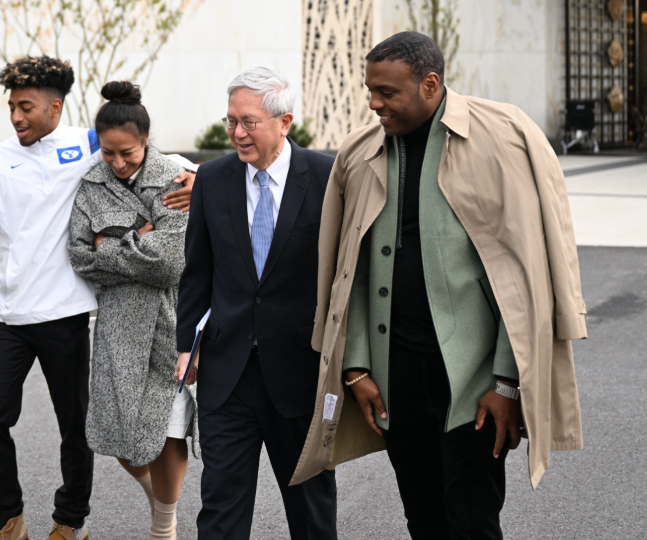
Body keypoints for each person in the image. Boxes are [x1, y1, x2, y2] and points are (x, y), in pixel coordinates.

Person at [292, 32, 587, 540]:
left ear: (429, 84)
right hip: (396, 379)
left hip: (474, 383)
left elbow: (524, 274)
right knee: (423, 518)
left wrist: (505, 383)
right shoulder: (360, 152)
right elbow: (350, 271)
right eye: (370, 90)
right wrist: (356, 367)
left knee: (473, 520)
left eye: (387, 92)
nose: (374, 103)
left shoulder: (501, 138)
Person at [0, 56, 195, 540]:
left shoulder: (92, 145)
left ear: (55, 107)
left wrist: (204, 178)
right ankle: (6, 519)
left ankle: (70, 521)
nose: (16, 116)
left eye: (26, 106)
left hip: (66, 313)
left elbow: (154, 158)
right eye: (12, 107)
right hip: (7, 314)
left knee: (75, 427)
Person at [174, 67, 338, 540]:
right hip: (228, 372)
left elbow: (345, 274)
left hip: (300, 372)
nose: (238, 133)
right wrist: (187, 345)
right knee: (220, 511)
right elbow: (198, 270)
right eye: (231, 122)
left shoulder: (326, 177)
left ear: (284, 122)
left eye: (249, 122)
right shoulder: (213, 179)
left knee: (311, 513)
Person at [67, 81, 198, 540]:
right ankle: (157, 497)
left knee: (168, 429)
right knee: (118, 433)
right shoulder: (91, 185)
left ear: (146, 140)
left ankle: (164, 525)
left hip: (170, 320)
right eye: (109, 153)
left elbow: (170, 263)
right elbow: (80, 256)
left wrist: (110, 246)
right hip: (117, 325)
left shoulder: (175, 177)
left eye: (128, 152)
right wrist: (141, 238)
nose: (118, 162)